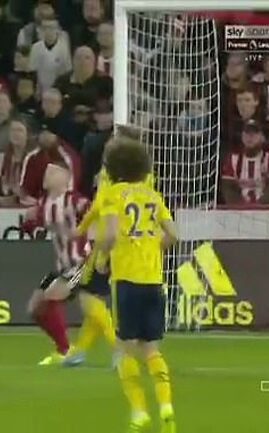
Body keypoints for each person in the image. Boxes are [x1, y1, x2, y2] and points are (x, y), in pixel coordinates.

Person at [97, 136, 178, 433]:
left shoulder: (112, 195)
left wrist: (102, 258)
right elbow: (174, 234)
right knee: (152, 349)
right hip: (154, 281)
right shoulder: (152, 195)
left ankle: (139, 411)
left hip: (126, 281)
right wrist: (153, 247)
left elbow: (109, 235)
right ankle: (166, 406)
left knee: (124, 349)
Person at [63, 127, 152, 368]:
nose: (109, 144)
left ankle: (118, 348)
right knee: (98, 296)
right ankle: (80, 351)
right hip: (136, 244)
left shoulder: (110, 173)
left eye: (114, 140)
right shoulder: (146, 176)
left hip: (108, 240)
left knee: (85, 294)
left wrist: (81, 229)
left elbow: (98, 205)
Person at [22, 162, 86, 365]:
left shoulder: (73, 200)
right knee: (34, 308)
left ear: (65, 179)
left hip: (80, 264)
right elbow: (32, 227)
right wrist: (29, 222)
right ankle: (64, 350)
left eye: (52, 172)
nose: (46, 174)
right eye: (46, 171)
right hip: (62, 266)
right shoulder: (45, 204)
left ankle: (68, 351)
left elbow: (95, 213)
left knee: (51, 298)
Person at [221, 119, 269, 204]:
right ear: (242, 136)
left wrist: (260, 206)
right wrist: (240, 206)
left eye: (254, 133)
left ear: (262, 137)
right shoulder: (233, 158)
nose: (250, 137)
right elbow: (228, 188)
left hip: (266, 208)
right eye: (246, 133)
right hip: (239, 208)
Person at [20, 123, 80, 205]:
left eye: (48, 133)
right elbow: (25, 190)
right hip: (37, 204)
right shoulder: (33, 157)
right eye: (42, 133)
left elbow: (71, 188)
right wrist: (28, 198)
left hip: (64, 204)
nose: (44, 137)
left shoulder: (68, 157)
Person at [29, 17, 72, 95]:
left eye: (51, 28)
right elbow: (33, 70)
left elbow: (67, 71)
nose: (48, 31)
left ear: (58, 29)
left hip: (59, 88)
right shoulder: (35, 47)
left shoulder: (64, 48)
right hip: (41, 89)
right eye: (45, 28)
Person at [0, 118, 30, 205]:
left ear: (27, 134)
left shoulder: (33, 158)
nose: (15, 134)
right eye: (12, 130)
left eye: (20, 130)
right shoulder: (1, 158)